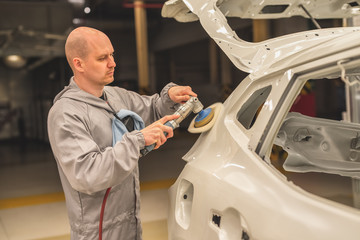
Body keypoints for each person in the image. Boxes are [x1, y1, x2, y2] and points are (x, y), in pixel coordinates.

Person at [47, 26, 197, 240]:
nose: (113, 63)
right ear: (79, 64)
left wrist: (169, 98)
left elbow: (151, 108)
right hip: (98, 231)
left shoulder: (115, 96)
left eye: (112, 55)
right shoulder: (66, 113)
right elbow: (87, 173)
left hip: (130, 223)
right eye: (102, 58)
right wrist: (137, 141)